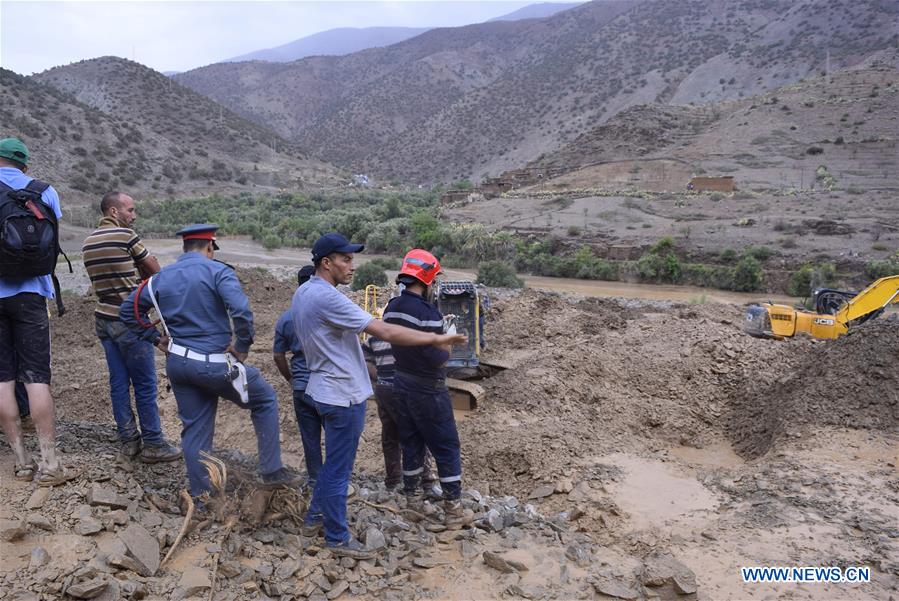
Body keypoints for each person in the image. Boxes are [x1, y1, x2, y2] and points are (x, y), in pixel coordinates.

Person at [292, 233, 466, 558]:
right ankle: (337, 537)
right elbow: (383, 331)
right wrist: (434, 340)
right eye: (346, 259)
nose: (352, 266)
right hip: (342, 393)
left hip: (324, 386)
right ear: (326, 263)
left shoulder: (304, 292)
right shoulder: (329, 298)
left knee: (334, 465)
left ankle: (315, 518)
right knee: (338, 470)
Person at [120, 224, 298, 500]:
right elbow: (240, 311)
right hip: (216, 365)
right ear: (210, 247)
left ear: (184, 248)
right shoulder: (218, 272)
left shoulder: (158, 279)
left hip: (179, 366)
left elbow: (128, 312)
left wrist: (155, 339)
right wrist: (241, 346)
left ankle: (202, 498)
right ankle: (271, 471)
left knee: (195, 431)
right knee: (264, 399)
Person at [82, 191, 181, 462]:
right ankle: (153, 443)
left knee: (118, 381)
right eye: (130, 210)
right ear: (113, 211)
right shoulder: (126, 236)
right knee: (145, 383)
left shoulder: (88, 241)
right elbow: (155, 271)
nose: (133, 216)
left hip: (103, 318)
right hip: (129, 320)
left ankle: (128, 440)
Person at [384, 249, 473, 528]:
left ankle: (413, 505)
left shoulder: (391, 308)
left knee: (412, 443)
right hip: (428, 389)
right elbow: (438, 359)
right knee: (446, 446)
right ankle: (453, 511)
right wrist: (446, 340)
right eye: (434, 279)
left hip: (401, 384)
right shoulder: (429, 314)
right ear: (427, 279)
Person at [0, 137, 67, 485]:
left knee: (3, 381)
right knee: (36, 378)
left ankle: (22, 463)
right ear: (23, 164)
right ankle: (51, 465)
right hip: (31, 295)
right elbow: (53, 241)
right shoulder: (44, 190)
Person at [362, 325, 442, 498]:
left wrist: (379, 376)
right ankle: (426, 482)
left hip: (383, 390)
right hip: (403, 389)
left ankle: (393, 480)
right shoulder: (408, 333)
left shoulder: (374, 336)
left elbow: (365, 357)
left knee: (390, 434)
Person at [273, 264, 319, 489]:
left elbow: (278, 355)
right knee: (337, 436)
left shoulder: (286, 318)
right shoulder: (326, 312)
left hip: (301, 386)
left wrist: (290, 379)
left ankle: (314, 480)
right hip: (327, 387)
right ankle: (336, 481)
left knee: (310, 438)